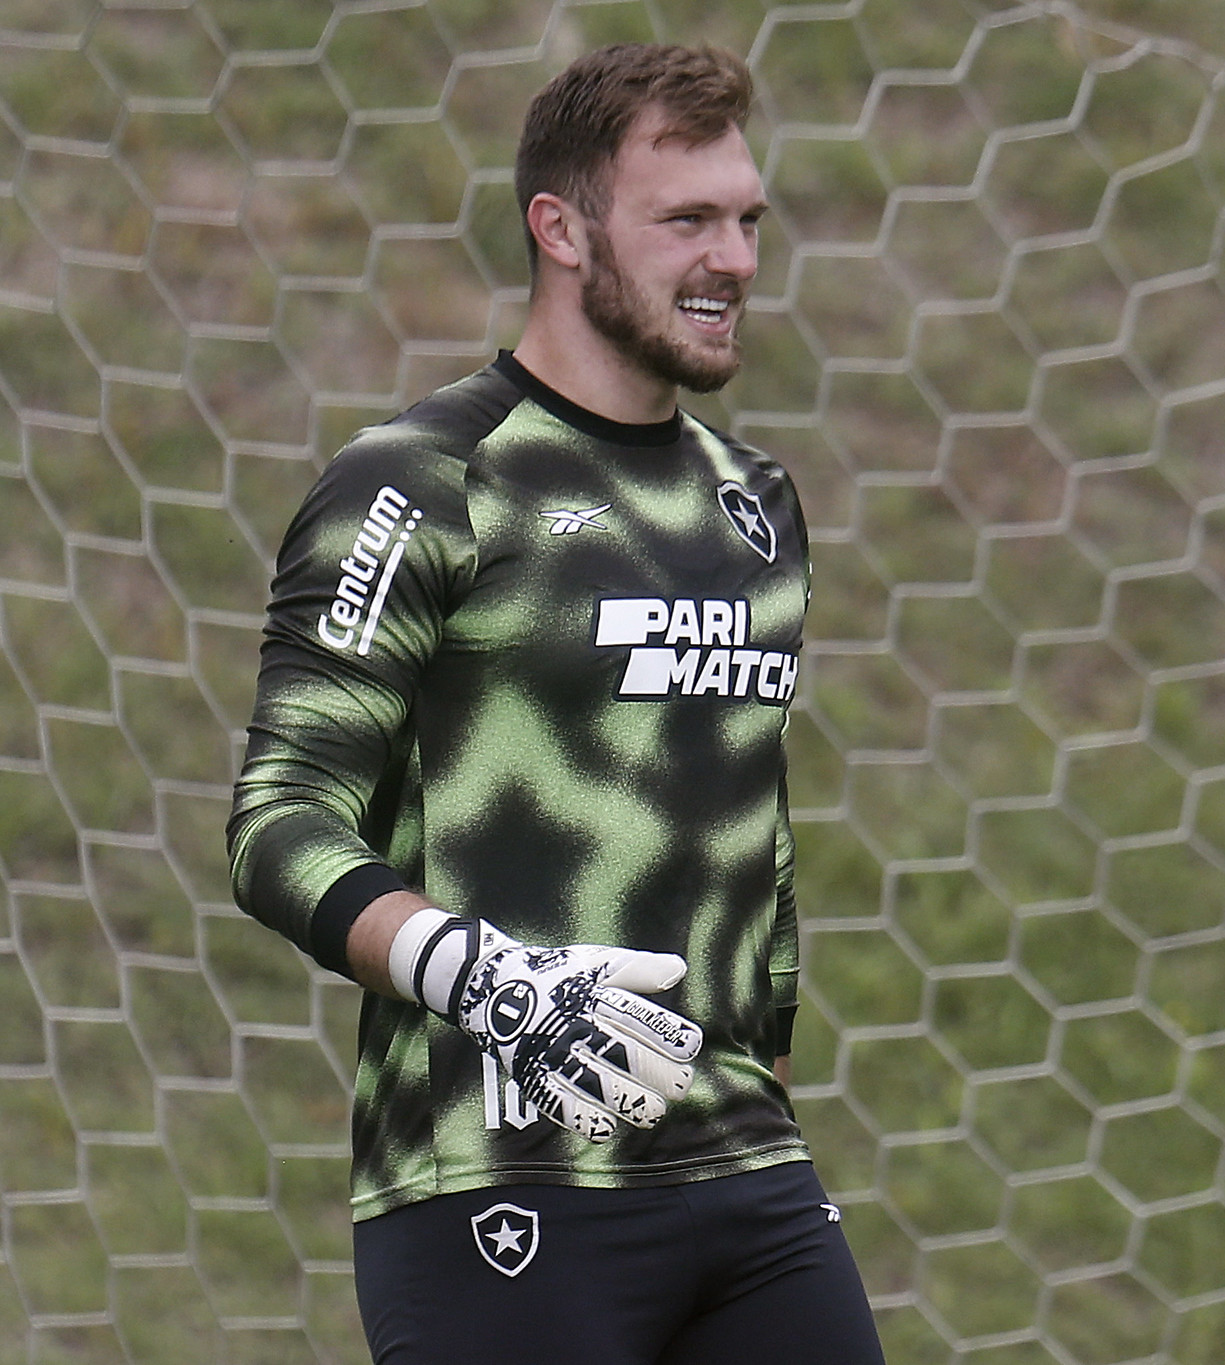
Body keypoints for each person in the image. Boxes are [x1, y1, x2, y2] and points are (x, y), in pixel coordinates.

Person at [226, 42, 886, 1364]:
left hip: (740, 1162)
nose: (736, 259)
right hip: (496, 1174)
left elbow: (746, 830)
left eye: (747, 219)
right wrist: (489, 980)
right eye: (687, 220)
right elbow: (277, 822)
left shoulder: (757, 508)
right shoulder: (422, 483)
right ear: (563, 230)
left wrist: (765, 1055)